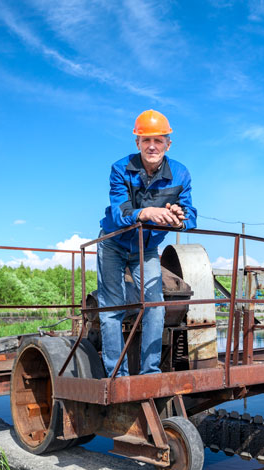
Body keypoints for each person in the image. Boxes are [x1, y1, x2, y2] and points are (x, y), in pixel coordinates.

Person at [97, 110, 197, 376]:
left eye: (158, 140)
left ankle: (150, 372)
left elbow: (190, 214)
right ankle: (117, 374)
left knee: (154, 305)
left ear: (168, 143)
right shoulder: (121, 169)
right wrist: (145, 213)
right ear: (137, 143)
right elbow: (119, 212)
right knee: (111, 308)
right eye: (146, 140)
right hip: (113, 244)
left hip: (147, 248)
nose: (152, 146)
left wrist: (179, 220)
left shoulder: (180, 174)